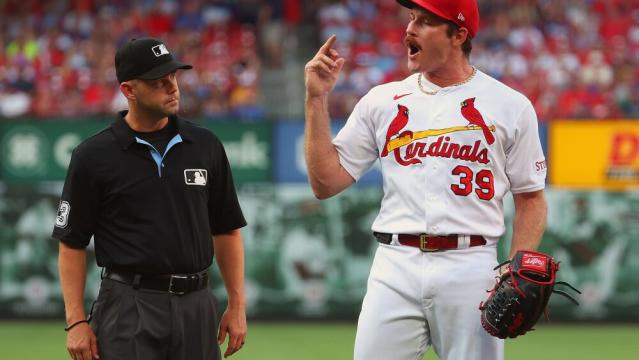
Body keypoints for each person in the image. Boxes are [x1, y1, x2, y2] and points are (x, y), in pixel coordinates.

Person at [304, 0, 547, 359]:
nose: (409, 29)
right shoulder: (383, 100)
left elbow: (531, 198)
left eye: (426, 21)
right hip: (394, 264)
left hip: (471, 267)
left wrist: (513, 266)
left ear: (458, 34)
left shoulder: (510, 105)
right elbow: (325, 183)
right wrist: (316, 98)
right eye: (411, 18)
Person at [53, 37, 247, 360]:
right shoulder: (93, 156)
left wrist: (237, 304)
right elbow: (71, 243)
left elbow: (226, 229)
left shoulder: (205, 145)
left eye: (173, 77)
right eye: (158, 82)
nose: (172, 88)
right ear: (129, 90)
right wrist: (75, 321)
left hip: (197, 305)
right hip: (128, 303)